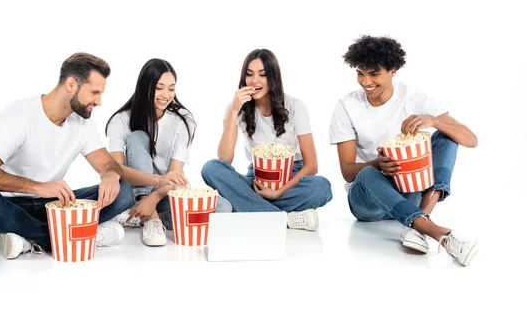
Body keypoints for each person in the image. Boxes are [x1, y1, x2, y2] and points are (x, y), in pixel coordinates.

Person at [0, 53, 133, 259]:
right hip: (9, 208)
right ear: (71, 84)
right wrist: (36, 187)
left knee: (123, 191)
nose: (98, 101)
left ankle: (29, 239)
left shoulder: (83, 125)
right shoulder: (21, 115)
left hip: (54, 208)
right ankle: (72, 235)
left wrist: (110, 175)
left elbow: (108, 164)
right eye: (94, 92)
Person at [329, 35, 479, 266]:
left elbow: (471, 139)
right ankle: (437, 233)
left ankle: (419, 221)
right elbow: (348, 172)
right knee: (367, 173)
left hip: (410, 193)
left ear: (393, 70)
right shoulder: (347, 106)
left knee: (446, 135)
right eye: (360, 73)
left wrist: (434, 121)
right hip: (367, 202)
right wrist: (378, 164)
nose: (365, 81)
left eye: (374, 73)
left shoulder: (412, 97)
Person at [201, 49, 332, 231]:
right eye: (249, 74)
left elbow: (312, 165)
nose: (255, 80)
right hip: (257, 178)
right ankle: (284, 219)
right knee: (211, 168)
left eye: (262, 75)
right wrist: (233, 111)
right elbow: (224, 160)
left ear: (273, 77)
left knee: (321, 187)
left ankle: (251, 208)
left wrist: (278, 192)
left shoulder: (295, 106)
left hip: (292, 176)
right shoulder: (235, 108)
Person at [106, 58, 231, 247]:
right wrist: (145, 194)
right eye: (159, 87)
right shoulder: (121, 120)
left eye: (171, 88)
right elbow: (118, 171)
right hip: (132, 194)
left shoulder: (183, 120)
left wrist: (153, 198)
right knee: (137, 136)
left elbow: (175, 173)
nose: (166, 94)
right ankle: (151, 220)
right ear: (144, 87)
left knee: (223, 207)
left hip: (166, 193)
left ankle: (146, 216)